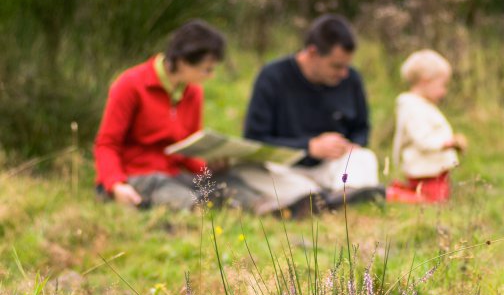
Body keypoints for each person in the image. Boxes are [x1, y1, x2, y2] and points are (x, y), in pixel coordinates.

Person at [94, 20, 291, 215]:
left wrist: (208, 166)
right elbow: (107, 144)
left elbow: (186, 149)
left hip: (175, 173)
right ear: (182, 61)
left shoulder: (193, 92)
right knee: (169, 189)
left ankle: (265, 208)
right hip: (137, 174)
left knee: (225, 181)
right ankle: (199, 210)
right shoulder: (131, 84)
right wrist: (116, 184)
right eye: (207, 69)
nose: (211, 75)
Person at [241, 14, 383, 211]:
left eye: (346, 65)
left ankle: (340, 195)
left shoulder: (351, 80)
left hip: (332, 167)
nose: (343, 73)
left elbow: (361, 129)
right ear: (312, 52)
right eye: (336, 66)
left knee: (364, 158)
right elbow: (255, 139)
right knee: (249, 169)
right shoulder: (272, 76)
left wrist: (353, 145)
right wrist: (309, 147)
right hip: (286, 169)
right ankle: (318, 197)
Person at [386, 49, 467, 204]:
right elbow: (421, 139)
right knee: (431, 200)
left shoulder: (424, 105)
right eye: (442, 85)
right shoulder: (412, 108)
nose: (444, 91)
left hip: (435, 168)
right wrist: (447, 143)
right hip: (424, 170)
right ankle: (394, 194)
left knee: (441, 197)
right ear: (425, 81)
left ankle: (401, 192)